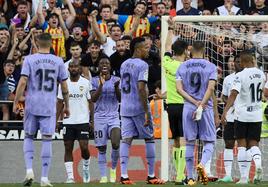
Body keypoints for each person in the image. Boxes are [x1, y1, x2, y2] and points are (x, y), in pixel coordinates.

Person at [13, 33, 69, 187]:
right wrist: (67, 105)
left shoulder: (30, 59)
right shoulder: (58, 61)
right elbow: (64, 86)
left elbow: (23, 80)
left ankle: (29, 170)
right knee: (47, 139)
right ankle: (44, 178)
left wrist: (16, 101)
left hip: (32, 104)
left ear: (36, 43)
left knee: (29, 137)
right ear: (51, 44)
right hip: (49, 105)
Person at [119, 37, 165, 185]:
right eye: (145, 48)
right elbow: (141, 88)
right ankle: (151, 175)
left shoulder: (124, 64)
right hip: (139, 107)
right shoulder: (142, 65)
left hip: (125, 107)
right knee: (149, 138)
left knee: (126, 140)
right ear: (138, 49)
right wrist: (146, 110)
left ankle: (124, 176)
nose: (148, 50)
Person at [176, 41, 217, 186]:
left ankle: (191, 178)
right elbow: (211, 88)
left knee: (189, 142)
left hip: (188, 107)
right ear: (204, 50)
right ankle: (202, 164)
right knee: (209, 141)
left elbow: (178, 89)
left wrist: (194, 103)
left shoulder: (182, 66)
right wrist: (201, 103)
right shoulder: (211, 66)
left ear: (191, 50)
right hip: (205, 107)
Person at [222, 50, 265, 184]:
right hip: (257, 115)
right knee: (253, 144)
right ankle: (258, 164)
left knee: (241, 145)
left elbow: (233, 93)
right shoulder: (261, 74)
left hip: (242, 115)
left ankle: (244, 178)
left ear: (243, 62)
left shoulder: (240, 75)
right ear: (252, 60)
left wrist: (225, 111)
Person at [56, 60, 93, 184]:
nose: (73, 68)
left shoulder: (86, 82)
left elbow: (91, 101)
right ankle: (70, 177)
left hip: (82, 120)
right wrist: (56, 119)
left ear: (80, 69)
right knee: (68, 148)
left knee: (84, 147)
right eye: (71, 66)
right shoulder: (63, 83)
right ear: (68, 69)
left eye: (75, 66)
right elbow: (60, 102)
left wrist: (92, 120)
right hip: (68, 121)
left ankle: (86, 167)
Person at [218, 54, 252, 182]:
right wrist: (229, 104)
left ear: (242, 62)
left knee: (245, 145)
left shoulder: (248, 76)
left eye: (237, 61)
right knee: (229, 143)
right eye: (233, 62)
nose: (235, 64)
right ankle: (228, 175)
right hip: (231, 116)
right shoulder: (227, 79)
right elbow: (224, 96)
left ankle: (245, 175)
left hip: (244, 116)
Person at [163, 17, 188, 185]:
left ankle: (178, 175)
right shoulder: (188, 67)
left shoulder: (167, 63)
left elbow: (166, 47)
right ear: (185, 51)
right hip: (185, 105)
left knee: (176, 140)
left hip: (170, 106)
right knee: (185, 140)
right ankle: (180, 176)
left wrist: (170, 29)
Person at [91, 57, 121, 183]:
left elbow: (120, 99)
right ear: (98, 66)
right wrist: (101, 85)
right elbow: (93, 99)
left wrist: (116, 88)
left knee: (115, 143)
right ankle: (103, 176)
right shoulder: (93, 80)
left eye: (107, 63)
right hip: (99, 118)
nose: (104, 65)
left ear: (110, 66)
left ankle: (113, 169)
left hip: (113, 116)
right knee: (102, 148)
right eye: (102, 63)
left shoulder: (117, 80)